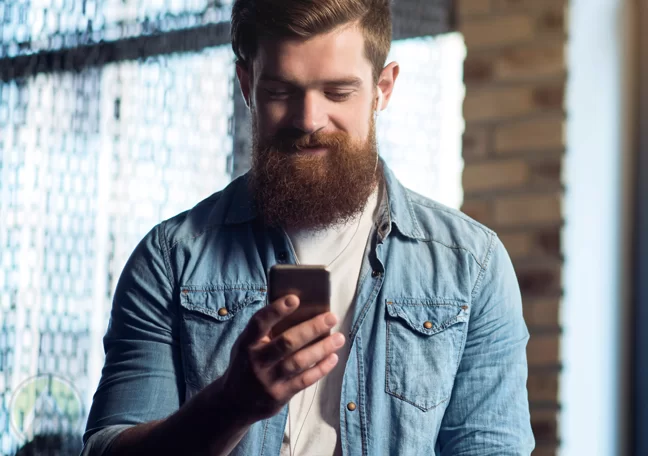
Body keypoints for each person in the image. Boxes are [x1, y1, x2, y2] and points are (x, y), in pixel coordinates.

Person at [81, 0, 535, 454]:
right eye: (281, 91)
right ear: (246, 85)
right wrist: (231, 404)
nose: (308, 120)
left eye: (337, 93)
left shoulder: (472, 268)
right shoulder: (169, 260)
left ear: (383, 88)